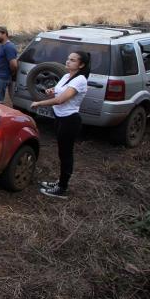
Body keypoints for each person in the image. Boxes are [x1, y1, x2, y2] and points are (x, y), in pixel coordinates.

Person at [30, 51, 90, 199]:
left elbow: (60, 100)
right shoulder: (66, 76)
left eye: (73, 60)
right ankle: (60, 182)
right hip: (60, 118)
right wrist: (52, 91)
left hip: (70, 120)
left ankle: (62, 188)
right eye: (68, 58)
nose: (68, 62)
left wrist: (39, 103)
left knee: (65, 154)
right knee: (61, 153)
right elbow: (58, 93)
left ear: (81, 65)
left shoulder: (80, 80)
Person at [0, 26, 19, 104]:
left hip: (2, 77)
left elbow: (14, 64)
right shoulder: (2, 45)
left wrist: (11, 73)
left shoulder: (9, 47)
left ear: (4, 34)